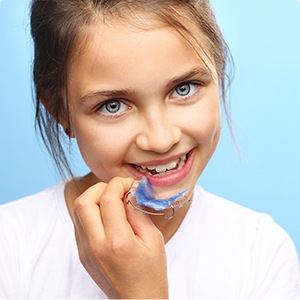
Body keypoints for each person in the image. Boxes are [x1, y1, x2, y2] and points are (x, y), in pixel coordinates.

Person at [0, 0, 299, 298]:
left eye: (184, 88)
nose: (160, 139)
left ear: (218, 69)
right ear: (59, 111)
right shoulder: (11, 248)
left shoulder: (261, 253)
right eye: (112, 105)